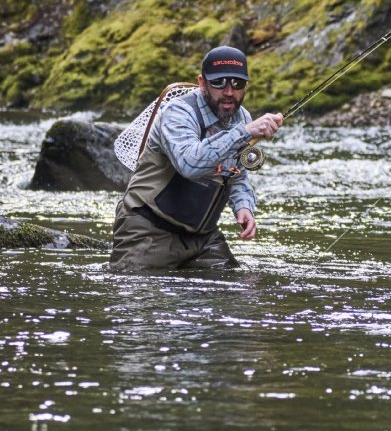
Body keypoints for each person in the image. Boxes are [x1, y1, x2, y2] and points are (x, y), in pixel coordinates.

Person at [109, 45, 282, 270]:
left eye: (237, 84)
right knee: (143, 300)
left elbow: (236, 175)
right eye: (219, 83)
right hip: (148, 229)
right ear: (202, 83)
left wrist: (243, 207)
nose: (229, 92)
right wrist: (245, 132)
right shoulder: (177, 113)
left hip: (202, 238)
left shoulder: (242, 117)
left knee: (239, 292)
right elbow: (189, 163)